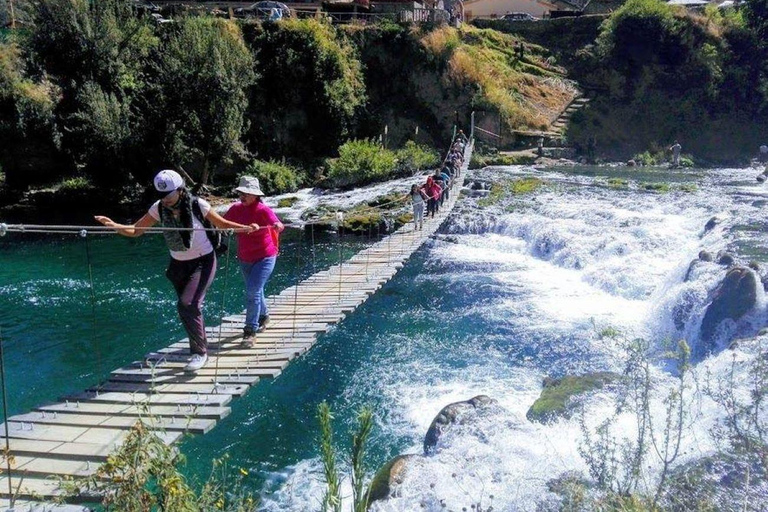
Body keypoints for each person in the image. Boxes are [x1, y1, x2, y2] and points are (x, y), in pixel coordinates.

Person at [94, 170, 258, 372]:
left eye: (170, 196)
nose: (167, 200)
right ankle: (199, 346)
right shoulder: (159, 208)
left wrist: (247, 227)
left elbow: (222, 224)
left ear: (180, 190)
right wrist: (114, 226)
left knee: (187, 305)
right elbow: (136, 231)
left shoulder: (198, 204)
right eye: (163, 196)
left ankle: (199, 353)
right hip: (178, 265)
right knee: (188, 309)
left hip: (203, 262)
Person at [223, 176, 284, 347]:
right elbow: (222, 223)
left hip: (265, 257)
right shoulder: (235, 209)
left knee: (252, 291)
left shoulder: (263, 210)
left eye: (247, 193)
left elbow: (277, 223)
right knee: (255, 290)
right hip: (245, 258)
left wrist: (278, 226)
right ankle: (264, 316)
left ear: (256, 195)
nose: (243, 196)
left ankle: (250, 331)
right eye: (241, 193)